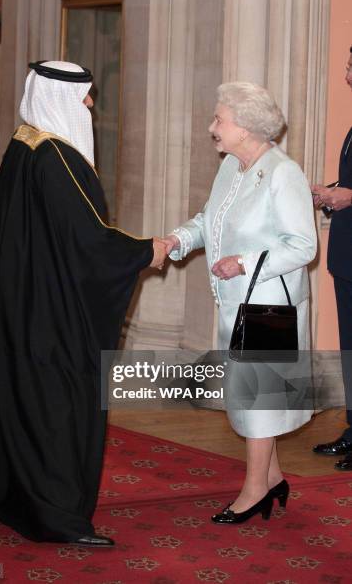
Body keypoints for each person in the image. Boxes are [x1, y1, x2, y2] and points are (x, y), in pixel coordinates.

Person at [0, 61, 166, 547]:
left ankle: (6, 495)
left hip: (17, 307)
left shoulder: (22, 144)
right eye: (85, 97)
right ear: (60, 98)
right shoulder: (56, 157)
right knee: (55, 407)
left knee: (19, 400)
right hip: (48, 315)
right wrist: (147, 250)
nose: (91, 106)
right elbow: (89, 241)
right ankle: (56, 516)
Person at [162, 82, 317, 524]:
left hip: (270, 304)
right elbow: (209, 219)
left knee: (259, 399)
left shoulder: (283, 173)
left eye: (219, 119)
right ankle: (272, 478)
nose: (213, 127)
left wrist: (244, 263)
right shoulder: (232, 165)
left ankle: (254, 490)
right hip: (236, 302)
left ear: (245, 128)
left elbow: (303, 246)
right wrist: (177, 239)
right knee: (248, 394)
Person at [311, 46, 352, 471]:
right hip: (346, 257)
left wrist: (350, 195)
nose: (346, 74)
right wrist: (330, 193)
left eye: (350, 65)